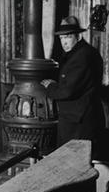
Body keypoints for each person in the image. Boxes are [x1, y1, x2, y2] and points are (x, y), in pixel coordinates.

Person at [41, 15, 104, 151]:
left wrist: (50, 86)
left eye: (68, 37)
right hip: (81, 118)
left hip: (78, 122)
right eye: (61, 38)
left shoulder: (81, 57)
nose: (64, 42)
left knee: (72, 159)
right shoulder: (85, 52)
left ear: (78, 36)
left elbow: (67, 91)